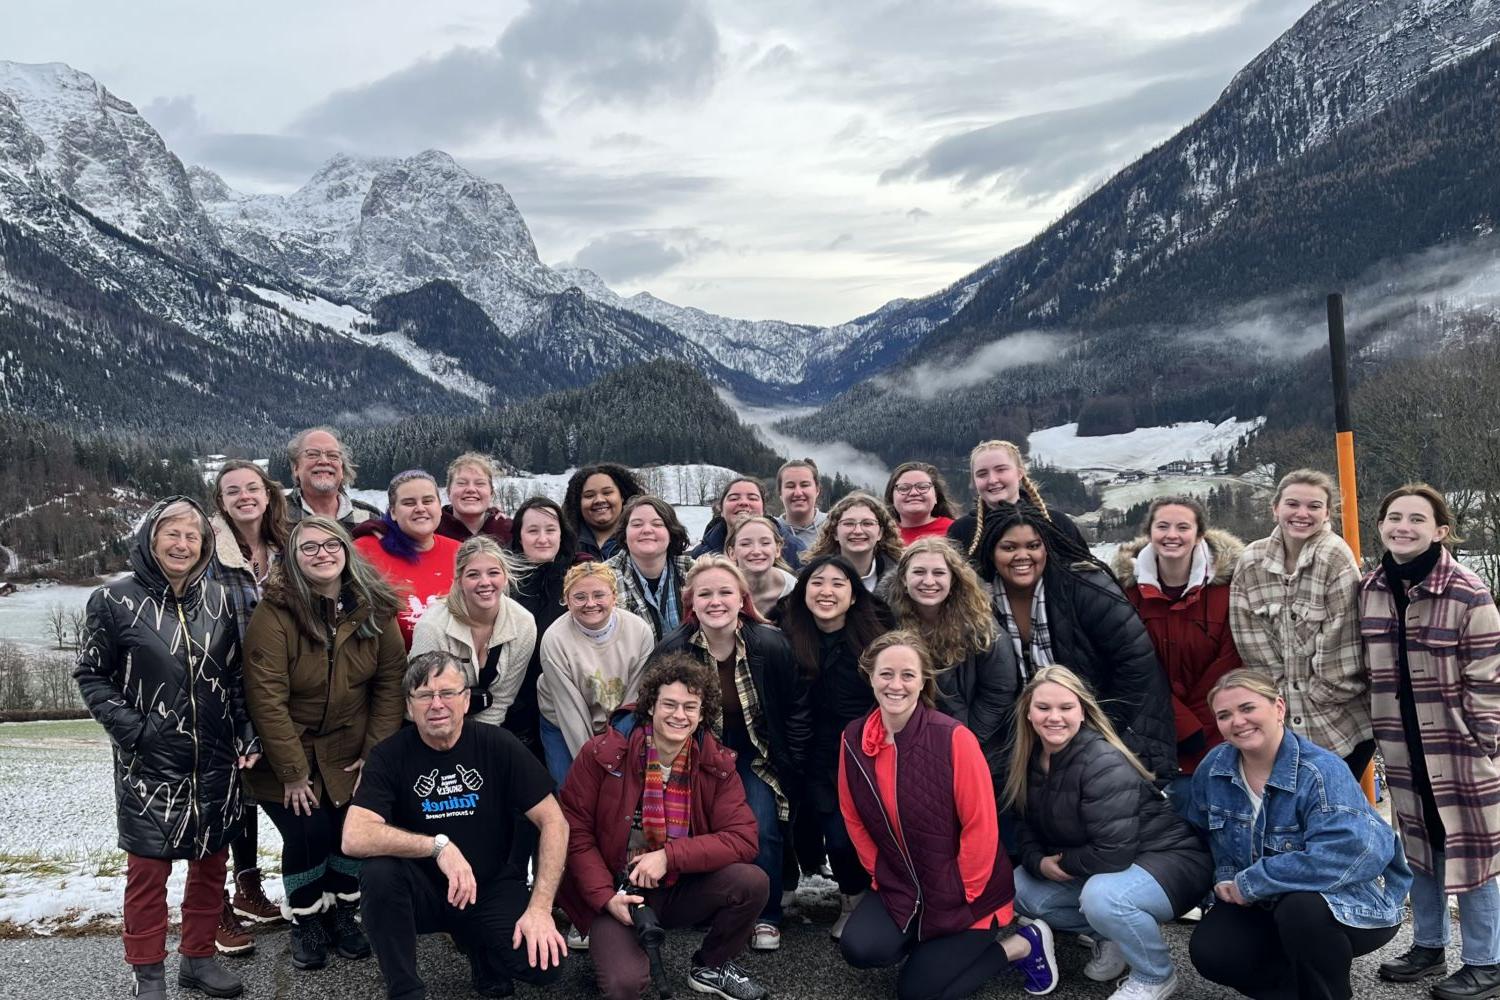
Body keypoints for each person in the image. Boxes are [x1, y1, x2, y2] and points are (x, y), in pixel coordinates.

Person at [74, 496, 259, 1000]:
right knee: (148, 873)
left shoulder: (221, 600)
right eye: (171, 534)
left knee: (211, 865)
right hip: (148, 763)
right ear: (150, 539)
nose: (181, 544)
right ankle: (148, 974)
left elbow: (236, 676)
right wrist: (136, 732)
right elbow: (91, 675)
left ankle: (198, 960)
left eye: (191, 536)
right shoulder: (114, 601)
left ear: (204, 545)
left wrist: (246, 730)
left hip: (216, 760)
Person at [838, 632, 1060, 998]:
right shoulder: (853, 738)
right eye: (886, 674)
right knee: (860, 949)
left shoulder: (953, 738)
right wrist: (879, 871)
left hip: (965, 892)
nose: (896, 685)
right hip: (902, 883)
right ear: (870, 677)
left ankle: (1021, 945)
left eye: (908, 675)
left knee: (916, 993)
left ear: (924, 680)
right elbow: (853, 816)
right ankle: (930, 948)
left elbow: (982, 827)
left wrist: (962, 891)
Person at [344, 651, 569, 1000]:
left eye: (447, 693)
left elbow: (554, 821)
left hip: (489, 885)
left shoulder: (498, 745)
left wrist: (539, 909)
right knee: (378, 873)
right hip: (422, 891)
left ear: (465, 700)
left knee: (544, 967)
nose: (437, 704)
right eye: (424, 695)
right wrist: (438, 847)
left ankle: (479, 946)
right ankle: (405, 989)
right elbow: (354, 836)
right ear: (409, 705)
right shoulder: (388, 755)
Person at [242, 515, 406, 971]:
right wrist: (293, 773)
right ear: (293, 559)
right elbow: (266, 697)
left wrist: (374, 753)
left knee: (349, 832)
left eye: (330, 544)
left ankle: (343, 915)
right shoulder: (274, 613)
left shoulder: (374, 607)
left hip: (350, 747)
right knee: (308, 832)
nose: (322, 554)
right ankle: (308, 919)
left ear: (346, 550)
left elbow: (391, 681)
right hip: (287, 748)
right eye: (308, 547)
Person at [1184, 669, 1410, 1000]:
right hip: (1259, 902)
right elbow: (1204, 835)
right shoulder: (1214, 767)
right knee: (1212, 951)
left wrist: (1252, 882)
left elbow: (1349, 854)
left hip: (1345, 904)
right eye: (1224, 715)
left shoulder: (1320, 771)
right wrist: (1226, 876)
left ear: (1278, 707)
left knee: (1300, 911)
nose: (1238, 721)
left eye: (1248, 708)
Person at [559, 652, 773, 1000]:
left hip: (677, 885)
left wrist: (669, 857)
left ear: (702, 714)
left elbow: (743, 838)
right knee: (624, 986)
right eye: (669, 704)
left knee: (752, 882)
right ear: (650, 707)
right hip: (618, 888)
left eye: (690, 707)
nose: (679, 715)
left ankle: (711, 966)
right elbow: (575, 834)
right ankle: (608, 937)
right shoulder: (602, 754)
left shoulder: (715, 763)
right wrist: (605, 898)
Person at [1360, 484, 1500, 998]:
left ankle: (1487, 961)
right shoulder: (1370, 586)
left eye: (1417, 519)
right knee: (1420, 846)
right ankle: (1428, 944)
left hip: (1459, 747)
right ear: (1381, 525)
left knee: (1473, 853)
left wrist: (1487, 744)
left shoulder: (1468, 590)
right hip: (1401, 745)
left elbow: (1490, 680)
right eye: (1394, 517)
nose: (1403, 526)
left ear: (1440, 530)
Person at [1006, 666, 1211, 1000]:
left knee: (1103, 897)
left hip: (1170, 861)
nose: (1054, 717)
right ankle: (1113, 935)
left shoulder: (1102, 760)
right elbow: (1025, 825)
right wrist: (1037, 862)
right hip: (1107, 863)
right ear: (1028, 712)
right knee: (1020, 886)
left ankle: (1155, 975)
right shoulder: (1029, 759)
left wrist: (1065, 863)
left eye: (1065, 708)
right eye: (1043, 708)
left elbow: (1114, 851)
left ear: (1083, 712)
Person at [656, 554, 811, 951]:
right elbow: (659, 715)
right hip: (699, 761)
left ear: (742, 598)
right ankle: (710, 907)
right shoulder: (675, 651)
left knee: (761, 829)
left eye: (725, 592)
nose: (716, 601)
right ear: (691, 601)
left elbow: (795, 707)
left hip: (756, 758)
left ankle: (767, 914)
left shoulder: (770, 644)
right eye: (705, 594)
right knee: (702, 834)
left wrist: (791, 762)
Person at [980, 508, 1178, 781]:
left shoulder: (1085, 586)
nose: (1022, 556)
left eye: (1033, 546)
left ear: (1047, 548)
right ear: (991, 552)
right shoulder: (980, 603)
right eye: (1009, 547)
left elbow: (1136, 662)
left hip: (1117, 726)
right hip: (1029, 735)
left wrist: (1097, 729)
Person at [1229, 468, 1374, 777]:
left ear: (1327, 513)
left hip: (1338, 724)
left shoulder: (1334, 557)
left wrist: (1318, 697)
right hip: (1277, 724)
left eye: (1313, 506)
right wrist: (1275, 705)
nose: (1301, 514)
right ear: (1275, 508)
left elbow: (1342, 646)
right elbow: (1251, 643)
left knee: (1334, 816)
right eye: (1292, 504)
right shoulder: (1251, 560)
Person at [779, 553, 892, 938]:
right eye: (817, 583)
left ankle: (853, 898)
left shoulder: (876, 638)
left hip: (858, 750)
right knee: (796, 825)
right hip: (801, 748)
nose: (826, 591)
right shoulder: (785, 631)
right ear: (803, 590)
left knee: (844, 834)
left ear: (855, 595)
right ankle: (789, 888)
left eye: (838, 583)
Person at [1113, 496, 1244, 809]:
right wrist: (1181, 723)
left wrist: (1202, 725)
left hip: (1220, 730)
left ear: (1199, 535)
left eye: (1183, 527)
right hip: (1154, 733)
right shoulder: (1126, 594)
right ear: (1150, 533)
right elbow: (1133, 664)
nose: (1172, 535)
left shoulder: (1227, 590)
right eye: (1163, 526)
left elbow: (1229, 662)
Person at [207, 460, 289, 950]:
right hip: (222, 682)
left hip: (274, 682)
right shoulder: (208, 550)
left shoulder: (283, 547)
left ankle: (248, 886)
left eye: (252, 487)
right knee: (221, 794)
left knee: (251, 793)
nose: (244, 496)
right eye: (232, 490)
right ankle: (213, 905)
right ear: (221, 500)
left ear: (267, 493)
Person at [887, 537, 1017, 792]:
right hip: (903, 748)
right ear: (903, 578)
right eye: (919, 572)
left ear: (953, 579)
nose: (928, 581)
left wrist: (964, 740)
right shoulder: (885, 622)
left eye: (938, 573)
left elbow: (999, 692)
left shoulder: (981, 628)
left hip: (974, 749)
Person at [536, 561, 656, 785]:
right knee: (573, 789)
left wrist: (617, 751)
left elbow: (634, 701)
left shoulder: (638, 631)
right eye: (579, 597)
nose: (590, 604)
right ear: (567, 600)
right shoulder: (555, 640)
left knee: (623, 786)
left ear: (614, 596)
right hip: (563, 723)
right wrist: (592, 766)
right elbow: (571, 712)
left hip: (621, 718)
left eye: (599, 595)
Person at [411, 536, 538, 727]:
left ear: (505, 576)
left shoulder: (523, 623)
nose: (485, 582)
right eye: (473, 575)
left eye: (493, 573)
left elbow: (501, 700)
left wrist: (476, 745)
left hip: (489, 724)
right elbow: (425, 700)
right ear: (459, 580)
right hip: (432, 723)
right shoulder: (432, 627)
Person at [507, 496, 581, 759]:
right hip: (516, 705)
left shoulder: (577, 579)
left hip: (565, 702)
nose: (543, 539)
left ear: (562, 534)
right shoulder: (504, 582)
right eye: (533, 531)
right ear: (519, 536)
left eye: (551, 530)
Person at [353, 470, 462, 648]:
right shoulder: (364, 551)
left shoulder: (460, 553)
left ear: (439, 507)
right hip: (391, 668)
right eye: (409, 503)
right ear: (393, 512)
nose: (420, 508)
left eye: (428, 501)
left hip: (453, 665)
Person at [946, 440, 1088, 568]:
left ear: (1020, 473)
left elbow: (1087, 578)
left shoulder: (1056, 523)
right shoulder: (962, 531)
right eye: (982, 474)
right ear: (973, 481)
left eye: (1001, 469)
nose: (992, 480)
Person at [605, 495, 696, 642]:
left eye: (657, 524)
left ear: (671, 533)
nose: (647, 530)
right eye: (636, 524)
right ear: (624, 535)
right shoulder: (604, 577)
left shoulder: (692, 571)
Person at [692, 475, 805, 566]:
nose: (744, 503)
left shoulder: (794, 550)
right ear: (721, 509)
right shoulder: (701, 555)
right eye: (734, 498)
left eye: (752, 498)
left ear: (763, 509)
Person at [806, 491, 904, 594]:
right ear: (835, 533)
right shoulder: (811, 576)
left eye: (867, 523)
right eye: (848, 523)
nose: (858, 531)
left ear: (880, 533)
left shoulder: (901, 579)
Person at [283, 426, 381, 528]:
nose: (324, 461)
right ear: (296, 468)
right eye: (312, 454)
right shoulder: (275, 515)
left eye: (333, 455)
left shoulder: (370, 519)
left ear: (342, 470)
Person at [563, 462, 645, 561]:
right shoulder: (564, 544)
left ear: (622, 496)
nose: (599, 500)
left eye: (607, 492)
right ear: (578, 502)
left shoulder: (643, 538)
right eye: (589, 495)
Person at [727, 515, 798, 619]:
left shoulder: (794, 589)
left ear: (778, 549)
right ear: (732, 553)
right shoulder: (720, 589)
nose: (756, 551)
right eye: (745, 544)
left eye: (765, 543)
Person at [436, 452, 513, 544]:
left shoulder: (509, 531)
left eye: (480, 483)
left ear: (491, 493)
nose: (471, 489)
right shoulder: (432, 531)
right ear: (449, 492)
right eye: (461, 483)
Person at [884, 461, 957, 545]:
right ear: (891, 498)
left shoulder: (956, 530)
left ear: (936, 496)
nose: (914, 493)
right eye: (904, 488)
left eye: (923, 487)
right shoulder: (882, 535)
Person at [776, 458, 827, 548]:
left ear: (817, 490)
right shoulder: (771, 530)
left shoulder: (834, 525)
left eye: (805, 485)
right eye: (790, 486)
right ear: (780, 493)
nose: (798, 493)